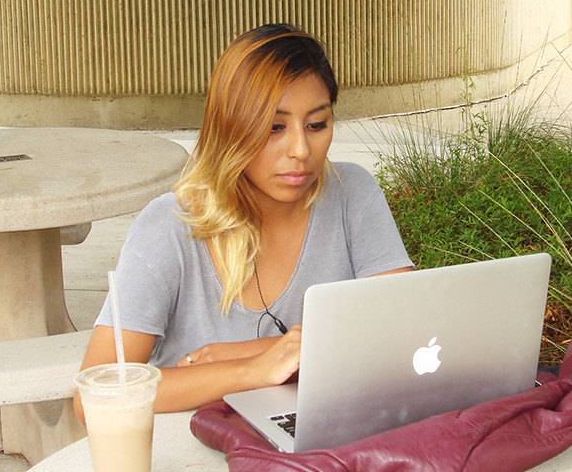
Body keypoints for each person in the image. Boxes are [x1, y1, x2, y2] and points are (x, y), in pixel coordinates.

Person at [74, 24, 413, 421]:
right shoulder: (169, 228)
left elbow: (403, 332)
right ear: (230, 127)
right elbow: (95, 396)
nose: (301, 150)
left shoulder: (351, 193)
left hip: (327, 434)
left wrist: (260, 349)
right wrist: (253, 369)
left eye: (317, 125)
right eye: (274, 128)